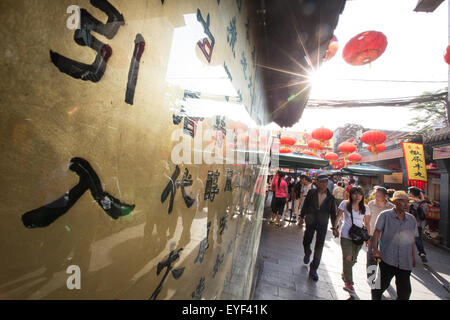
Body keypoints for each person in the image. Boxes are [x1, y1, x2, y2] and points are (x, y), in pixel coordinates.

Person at [371, 191, 418, 300]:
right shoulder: (385, 215)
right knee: (381, 285)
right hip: (388, 258)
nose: (406, 205)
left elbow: (412, 239)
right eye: (403, 202)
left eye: (407, 202)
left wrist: (413, 257)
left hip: (405, 261)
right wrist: (375, 249)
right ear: (396, 203)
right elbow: (377, 232)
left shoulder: (411, 219)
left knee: (405, 291)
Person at [299, 174, 338, 281]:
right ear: (317, 182)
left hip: (323, 224)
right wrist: (301, 217)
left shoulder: (331, 197)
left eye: (326, 181)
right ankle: (307, 251)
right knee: (306, 240)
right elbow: (305, 205)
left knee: (319, 246)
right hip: (310, 221)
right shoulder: (311, 193)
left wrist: (335, 228)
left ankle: (314, 268)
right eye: (322, 181)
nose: (324, 184)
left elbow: (333, 214)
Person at [333, 186, 371, 294]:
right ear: (351, 194)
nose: (357, 196)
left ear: (362, 196)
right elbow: (338, 217)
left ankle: (345, 271)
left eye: (359, 194)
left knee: (353, 259)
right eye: (355, 193)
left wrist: (368, 238)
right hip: (346, 235)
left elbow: (367, 223)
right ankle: (349, 283)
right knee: (348, 258)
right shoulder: (345, 204)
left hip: (359, 237)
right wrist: (335, 228)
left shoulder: (366, 208)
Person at [366, 187, 394, 284]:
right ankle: (371, 277)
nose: (377, 197)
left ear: (385, 196)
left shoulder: (391, 207)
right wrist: (367, 233)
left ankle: (382, 278)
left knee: (383, 258)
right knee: (371, 256)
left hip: (385, 237)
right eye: (375, 195)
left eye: (379, 196)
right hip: (372, 234)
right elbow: (367, 219)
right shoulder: (371, 204)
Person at [408, 186, 428, 263]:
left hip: (408, 223)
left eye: (409, 192)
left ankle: (408, 255)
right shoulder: (423, 203)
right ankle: (422, 253)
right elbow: (425, 212)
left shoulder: (409, 202)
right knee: (418, 239)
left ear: (411, 193)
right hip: (419, 224)